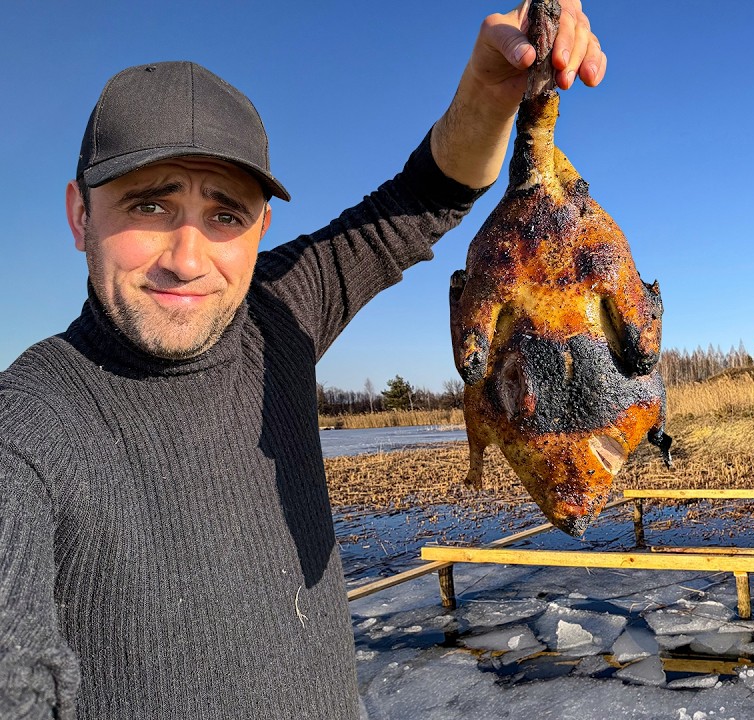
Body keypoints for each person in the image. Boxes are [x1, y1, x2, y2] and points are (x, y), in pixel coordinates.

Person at [0, 2, 604, 718]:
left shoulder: (277, 317)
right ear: (80, 215)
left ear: (262, 229)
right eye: (150, 207)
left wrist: (492, 86)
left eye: (225, 215)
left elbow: (423, 200)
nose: (188, 258)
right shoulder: (24, 433)